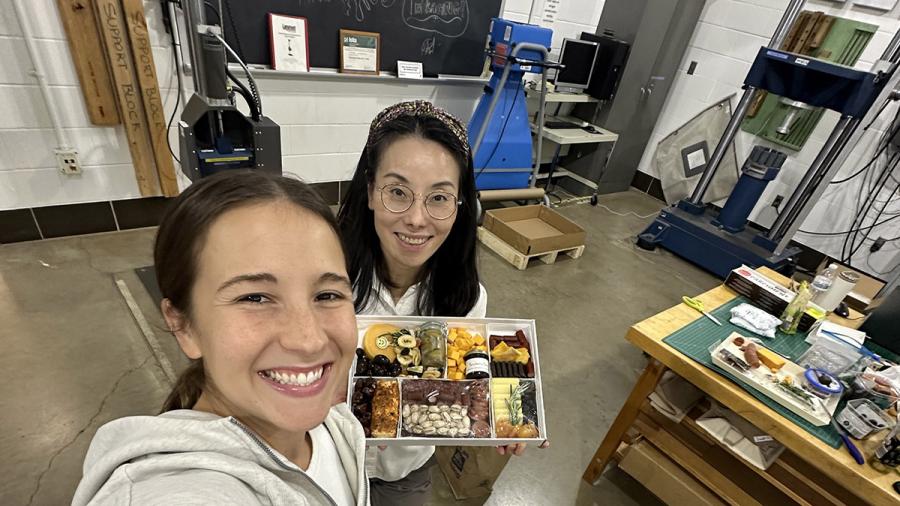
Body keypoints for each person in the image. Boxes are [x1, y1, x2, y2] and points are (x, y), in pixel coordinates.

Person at [73, 172, 368, 506]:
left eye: (327, 295)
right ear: (183, 325)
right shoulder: (173, 492)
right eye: (254, 298)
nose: (309, 340)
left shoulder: (337, 426)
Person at [337, 101, 534, 506]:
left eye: (439, 197)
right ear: (370, 191)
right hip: (326, 461)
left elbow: (464, 380)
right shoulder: (325, 278)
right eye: (398, 192)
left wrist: (503, 417)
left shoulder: (468, 299)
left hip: (405, 471)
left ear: (461, 204)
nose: (416, 219)